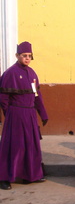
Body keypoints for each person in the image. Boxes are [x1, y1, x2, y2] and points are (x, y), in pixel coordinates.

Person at [0, 41, 48, 190]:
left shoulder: (32, 73)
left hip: (30, 115)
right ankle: (4, 178)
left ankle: (30, 175)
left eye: (29, 56)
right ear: (17, 56)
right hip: (16, 114)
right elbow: (3, 97)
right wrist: (9, 114)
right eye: (24, 56)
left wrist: (43, 113)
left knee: (31, 146)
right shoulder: (10, 73)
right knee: (14, 147)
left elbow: (36, 95)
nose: (27, 58)